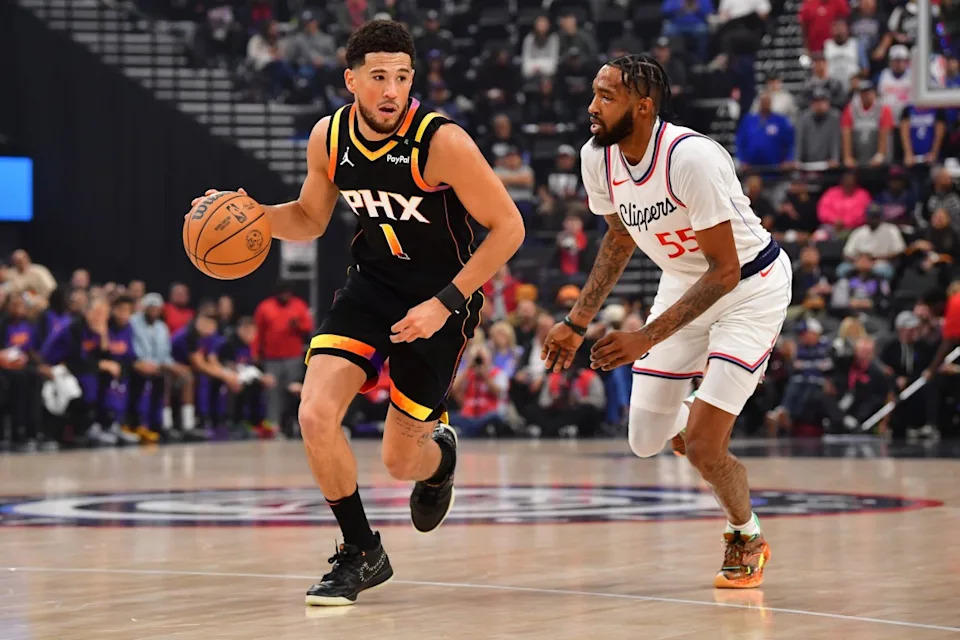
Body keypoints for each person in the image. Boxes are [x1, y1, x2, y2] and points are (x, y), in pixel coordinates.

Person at [189, 20, 524, 605]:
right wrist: (250, 215)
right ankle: (360, 551)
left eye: (401, 77)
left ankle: (439, 458)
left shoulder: (441, 143)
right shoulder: (329, 136)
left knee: (400, 461)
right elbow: (311, 218)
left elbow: (509, 228)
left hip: (442, 296)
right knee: (315, 412)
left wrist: (444, 304)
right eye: (378, 77)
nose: (391, 89)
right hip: (371, 285)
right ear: (351, 81)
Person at [542, 53, 791, 589]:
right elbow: (619, 237)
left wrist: (646, 337)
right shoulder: (597, 157)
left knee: (702, 447)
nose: (592, 107)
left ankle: (745, 533)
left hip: (750, 287)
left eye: (606, 97)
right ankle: (696, 426)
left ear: (643, 106)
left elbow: (724, 271)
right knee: (644, 439)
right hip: (684, 280)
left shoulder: (691, 158)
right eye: (594, 93)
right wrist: (577, 319)